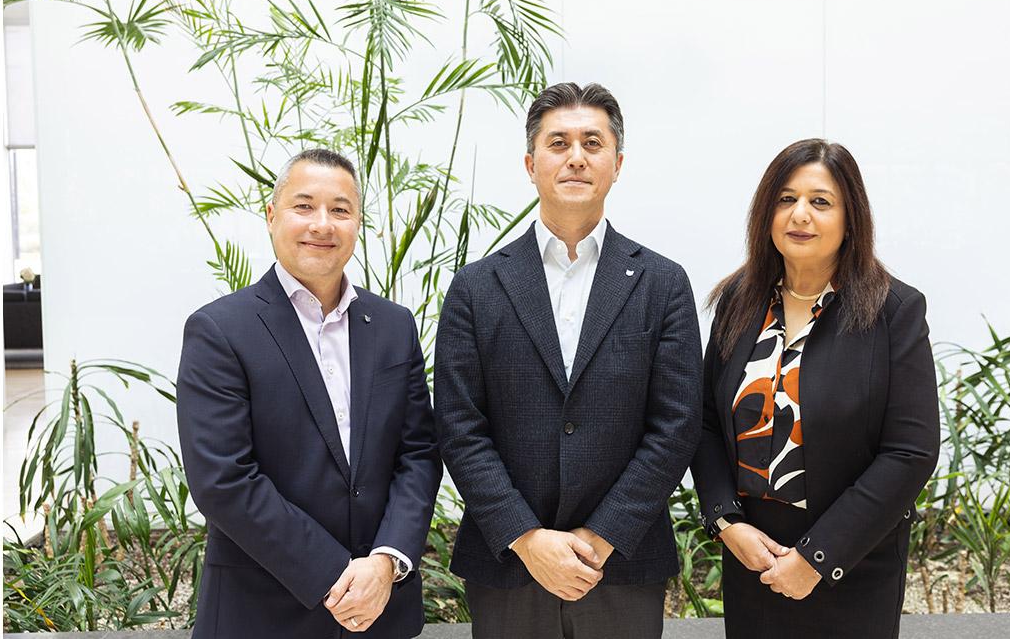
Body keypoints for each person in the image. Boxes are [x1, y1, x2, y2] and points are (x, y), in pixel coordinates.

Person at [434, 82, 703, 638]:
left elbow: (675, 427)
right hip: (509, 563)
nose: (576, 157)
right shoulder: (476, 287)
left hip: (622, 564)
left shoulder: (663, 283)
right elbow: (460, 427)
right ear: (531, 164)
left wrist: (599, 538)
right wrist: (529, 540)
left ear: (617, 163)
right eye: (558, 143)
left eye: (592, 142)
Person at [175, 148, 440, 638]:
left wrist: (385, 562)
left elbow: (419, 454)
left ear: (358, 224)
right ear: (272, 215)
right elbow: (223, 480)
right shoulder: (219, 329)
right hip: (262, 612)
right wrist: (336, 576)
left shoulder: (392, 326)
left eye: (340, 210)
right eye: (304, 206)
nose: (323, 224)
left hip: (382, 610)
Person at [689, 138, 940, 638]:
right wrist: (727, 524)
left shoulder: (895, 312)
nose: (799, 214)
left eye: (820, 202)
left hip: (850, 566)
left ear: (851, 219)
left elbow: (910, 451)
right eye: (786, 199)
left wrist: (816, 558)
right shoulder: (739, 301)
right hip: (754, 558)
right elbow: (704, 421)